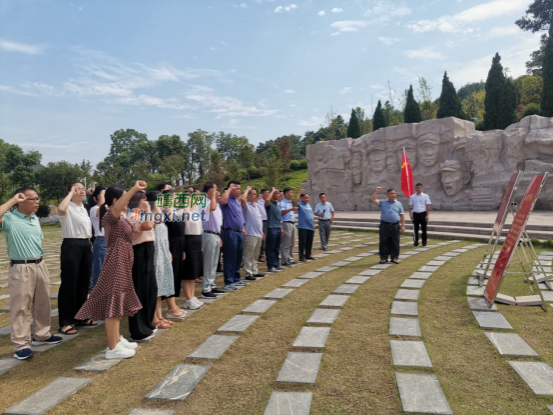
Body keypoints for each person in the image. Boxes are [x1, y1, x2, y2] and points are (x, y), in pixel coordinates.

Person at [76, 182, 148, 359]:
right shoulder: (110, 214)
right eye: (126, 197)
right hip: (117, 260)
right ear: (116, 200)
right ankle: (112, 348)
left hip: (123, 260)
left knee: (119, 300)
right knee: (114, 302)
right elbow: (117, 207)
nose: (130, 200)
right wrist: (135, 189)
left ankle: (117, 339)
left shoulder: (121, 216)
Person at [0, 189, 63, 360]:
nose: (37, 201)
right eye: (32, 199)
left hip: (40, 264)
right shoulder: (9, 218)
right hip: (21, 266)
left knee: (43, 302)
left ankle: (41, 334)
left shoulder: (34, 218)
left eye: (38, 198)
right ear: (21, 200)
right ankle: (21, 344)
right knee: (20, 307)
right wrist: (12, 200)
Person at [57, 182, 95, 335]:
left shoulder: (82, 208)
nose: (81, 191)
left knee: (83, 283)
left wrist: (92, 194)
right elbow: (60, 209)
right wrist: (70, 193)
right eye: (76, 189)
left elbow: (97, 204)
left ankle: (81, 316)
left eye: (82, 189)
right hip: (72, 245)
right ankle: (66, 322)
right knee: (69, 284)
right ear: (70, 192)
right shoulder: (67, 207)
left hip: (86, 244)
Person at [127, 191, 157, 341]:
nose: (146, 201)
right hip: (139, 252)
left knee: (151, 289)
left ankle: (148, 324)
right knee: (140, 291)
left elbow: (157, 220)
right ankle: (138, 330)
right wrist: (149, 210)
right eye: (143, 199)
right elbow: (148, 225)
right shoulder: (132, 216)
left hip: (148, 250)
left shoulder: (142, 213)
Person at [146, 191, 175, 330]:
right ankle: (155, 318)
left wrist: (168, 250)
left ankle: (160, 315)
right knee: (156, 287)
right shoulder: (152, 215)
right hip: (155, 254)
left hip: (163, 253)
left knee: (161, 286)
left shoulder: (160, 214)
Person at [162, 189, 187, 320]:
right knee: (170, 276)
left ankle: (174, 305)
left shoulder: (175, 211)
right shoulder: (165, 212)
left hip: (178, 244)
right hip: (170, 245)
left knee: (176, 275)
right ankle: (171, 308)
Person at [220, 180, 247, 290]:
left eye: (240, 189)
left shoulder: (237, 201)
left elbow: (240, 216)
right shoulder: (227, 200)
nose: (238, 191)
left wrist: (243, 227)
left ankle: (236, 278)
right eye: (237, 189)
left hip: (238, 232)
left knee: (238, 257)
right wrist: (229, 188)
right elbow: (222, 200)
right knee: (230, 257)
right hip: (229, 232)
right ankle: (228, 281)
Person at [201, 182, 226, 299]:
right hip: (208, 234)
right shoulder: (204, 202)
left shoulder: (216, 204)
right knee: (209, 262)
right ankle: (206, 289)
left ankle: (211, 284)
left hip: (216, 235)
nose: (217, 193)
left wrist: (219, 235)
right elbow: (212, 208)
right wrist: (212, 196)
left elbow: (217, 222)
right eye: (214, 190)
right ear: (209, 191)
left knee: (214, 262)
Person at [181, 193, 205, 309]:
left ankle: (192, 296)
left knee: (194, 273)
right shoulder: (183, 212)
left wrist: (200, 245)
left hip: (197, 240)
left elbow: (199, 228)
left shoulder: (195, 212)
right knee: (187, 273)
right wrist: (186, 203)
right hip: (188, 241)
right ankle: (188, 299)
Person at [371, 187, 405, 264]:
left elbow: (402, 215)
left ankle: (394, 258)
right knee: (383, 241)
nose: (393, 195)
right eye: (391, 193)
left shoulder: (399, 204)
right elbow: (373, 200)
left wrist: (403, 226)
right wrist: (376, 191)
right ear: (387, 195)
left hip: (395, 225)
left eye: (394, 193)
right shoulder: (383, 202)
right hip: (384, 224)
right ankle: (383, 258)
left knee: (395, 241)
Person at [242, 187, 265, 280]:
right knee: (249, 254)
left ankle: (254, 270)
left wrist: (262, 232)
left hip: (258, 234)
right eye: (253, 194)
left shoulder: (256, 206)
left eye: (256, 194)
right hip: (250, 233)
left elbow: (259, 219)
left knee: (256, 254)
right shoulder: (246, 205)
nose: (255, 196)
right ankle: (248, 272)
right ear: (248, 195)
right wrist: (246, 190)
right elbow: (242, 199)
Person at [90, 185, 108, 288]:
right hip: (102, 242)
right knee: (100, 274)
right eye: (104, 195)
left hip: (110, 242)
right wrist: (102, 194)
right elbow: (101, 210)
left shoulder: (109, 208)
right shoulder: (94, 209)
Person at [265, 188, 285, 273]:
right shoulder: (269, 204)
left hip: (277, 227)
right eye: (277, 193)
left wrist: (281, 227)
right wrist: (272, 191)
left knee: (277, 248)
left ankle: (276, 264)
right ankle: (270, 265)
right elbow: (267, 200)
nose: (279, 195)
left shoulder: (277, 204)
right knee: (271, 248)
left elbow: (278, 217)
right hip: (271, 228)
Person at [295, 189, 316, 261]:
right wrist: (299, 193)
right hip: (303, 226)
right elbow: (295, 202)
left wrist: (314, 223)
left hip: (310, 226)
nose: (307, 199)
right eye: (305, 198)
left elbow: (311, 215)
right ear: (302, 198)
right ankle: (301, 256)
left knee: (309, 242)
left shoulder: (309, 205)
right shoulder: (300, 204)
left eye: (308, 198)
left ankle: (308, 255)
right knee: (302, 242)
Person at [279, 187, 298, 267]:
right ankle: (284, 260)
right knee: (286, 243)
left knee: (292, 242)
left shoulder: (289, 202)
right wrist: (291, 209)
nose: (292, 194)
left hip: (292, 223)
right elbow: (282, 212)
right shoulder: (282, 203)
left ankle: (290, 258)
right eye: (290, 193)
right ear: (286, 194)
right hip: (286, 223)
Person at [409, 183, 431, 247]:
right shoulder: (412, 197)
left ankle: (424, 242)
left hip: (423, 213)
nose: (418, 189)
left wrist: (427, 215)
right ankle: (416, 242)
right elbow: (410, 206)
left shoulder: (425, 196)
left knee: (424, 229)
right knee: (415, 229)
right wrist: (411, 215)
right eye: (417, 188)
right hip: (415, 214)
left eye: (419, 188)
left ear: (422, 188)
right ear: (415, 188)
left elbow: (427, 206)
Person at [257, 188, 269, 262]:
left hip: (268, 220)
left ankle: (267, 254)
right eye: (267, 193)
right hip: (262, 220)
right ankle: (261, 255)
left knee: (268, 239)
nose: (268, 194)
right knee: (262, 239)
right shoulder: (258, 202)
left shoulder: (268, 201)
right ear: (262, 194)